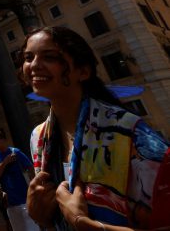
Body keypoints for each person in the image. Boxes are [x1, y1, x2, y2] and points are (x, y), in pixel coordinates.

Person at [22, 26, 170, 230]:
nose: (34, 65)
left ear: (83, 72)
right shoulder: (38, 136)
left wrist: (84, 224)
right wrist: (39, 216)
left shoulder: (132, 134)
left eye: (49, 57)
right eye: (28, 57)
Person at [0, 128, 38, 231]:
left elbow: (31, 168)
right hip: (10, 204)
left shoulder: (16, 152)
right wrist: (5, 162)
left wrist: (33, 189)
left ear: (3, 139)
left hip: (25, 200)